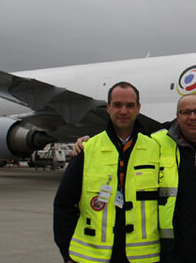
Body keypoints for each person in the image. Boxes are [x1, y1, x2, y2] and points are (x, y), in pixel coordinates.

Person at [74, 94, 196, 263]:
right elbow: (124, 145)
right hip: (171, 248)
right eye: (186, 112)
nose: (192, 117)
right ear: (177, 116)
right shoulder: (157, 141)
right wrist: (88, 143)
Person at [54, 82, 161, 263]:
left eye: (129, 106)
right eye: (117, 105)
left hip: (142, 258)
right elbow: (63, 206)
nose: (123, 111)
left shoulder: (156, 148)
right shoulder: (87, 150)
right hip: (94, 257)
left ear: (138, 109)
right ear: (108, 108)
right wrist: (68, 253)